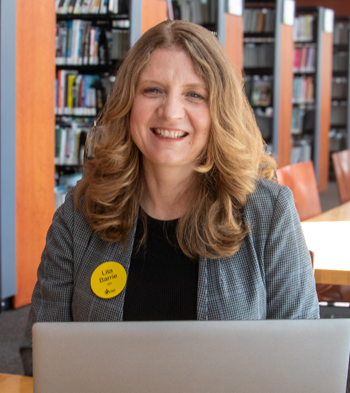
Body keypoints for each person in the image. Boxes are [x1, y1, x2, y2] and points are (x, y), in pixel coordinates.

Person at [25, 20, 319, 335]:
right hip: (107, 388)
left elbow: (300, 356)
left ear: (220, 110)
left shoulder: (269, 211)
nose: (171, 112)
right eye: (153, 90)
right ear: (128, 101)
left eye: (194, 94)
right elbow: (41, 349)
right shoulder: (81, 211)